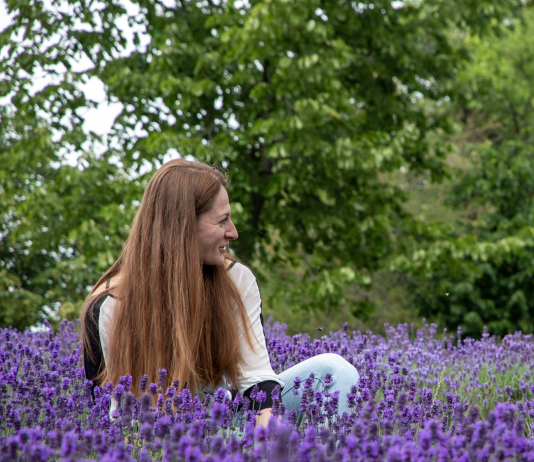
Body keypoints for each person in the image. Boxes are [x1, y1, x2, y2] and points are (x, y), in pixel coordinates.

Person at [81, 158, 359, 428]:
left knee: (335, 371)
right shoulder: (110, 306)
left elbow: (256, 382)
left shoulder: (236, 280)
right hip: (158, 443)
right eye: (222, 221)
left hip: (227, 428)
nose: (234, 232)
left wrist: (268, 446)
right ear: (183, 227)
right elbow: (108, 417)